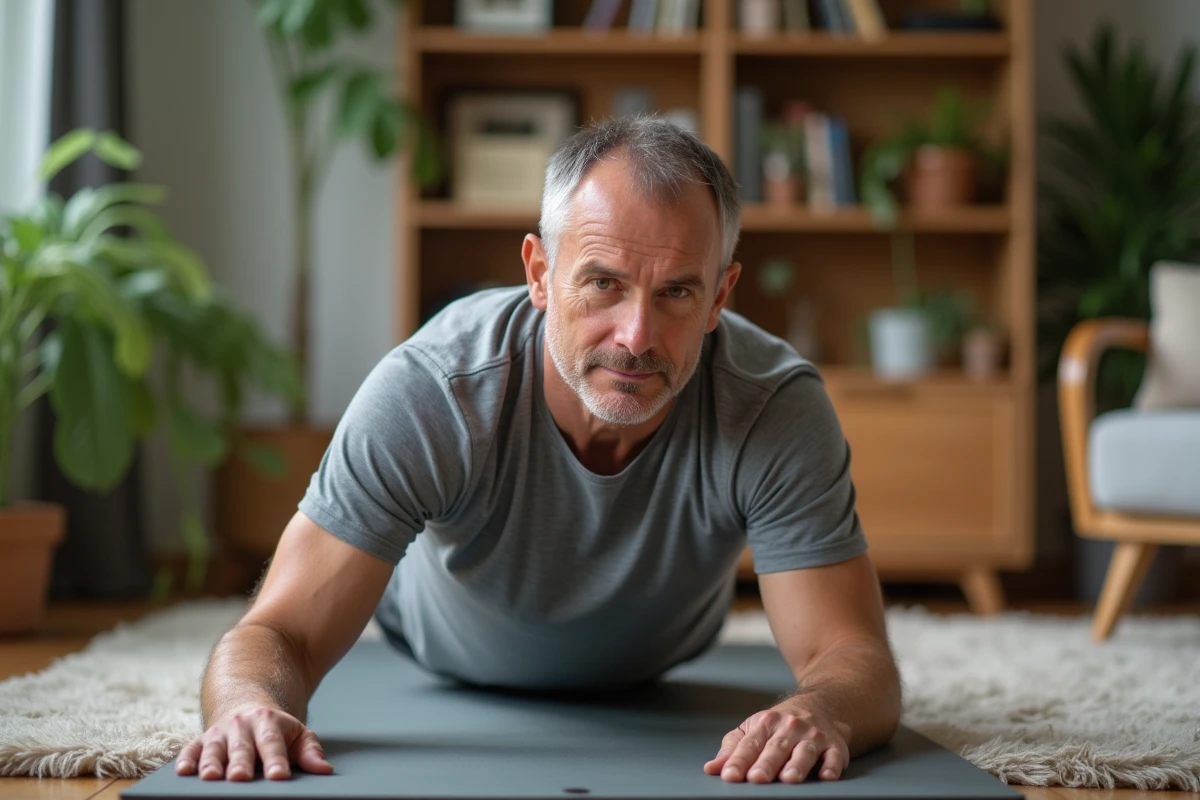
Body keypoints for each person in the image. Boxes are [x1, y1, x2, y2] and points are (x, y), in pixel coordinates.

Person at [175, 115, 901, 786]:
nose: (636, 335)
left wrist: (823, 711)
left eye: (677, 292)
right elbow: (278, 631)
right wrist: (246, 706)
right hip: (443, 653)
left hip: (658, 664)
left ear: (720, 296)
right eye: (603, 284)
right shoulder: (432, 392)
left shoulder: (774, 405)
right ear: (539, 274)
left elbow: (852, 658)